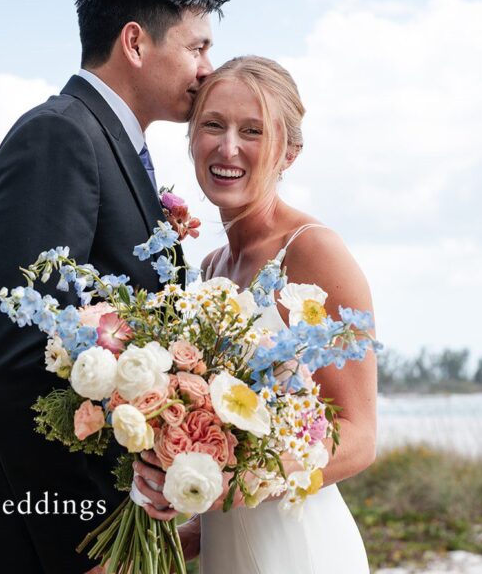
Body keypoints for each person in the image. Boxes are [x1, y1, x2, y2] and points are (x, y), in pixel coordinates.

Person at [0, 0, 227, 574]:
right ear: (135, 42)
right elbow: (14, 360)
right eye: (197, 48)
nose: (206, 69)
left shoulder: (112, 146)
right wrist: (84, 540)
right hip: (19, 533)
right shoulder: (60, 136)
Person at [132, 56, 378, 573]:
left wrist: (239, 483)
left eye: (252, 131)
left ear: (289, 151)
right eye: (213, 125)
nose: (228, 148)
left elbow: (358, 438)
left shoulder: (315, 252)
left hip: (300, 549)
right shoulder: (209, 267)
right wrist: (187, 520)